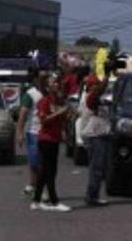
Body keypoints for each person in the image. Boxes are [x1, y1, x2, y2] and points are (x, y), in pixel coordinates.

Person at [33, 77, 72, 212]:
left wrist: (67, 114)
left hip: (54, 139)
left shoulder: (57, 101)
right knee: (50, 171)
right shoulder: (44, 101)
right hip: (46, 139)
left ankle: (36, 200)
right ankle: (54, 201)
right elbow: (44, 120)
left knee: (45, 172)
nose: (57, 84)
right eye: (53, 83)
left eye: (57, 82)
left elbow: (61, 120)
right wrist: (58, 113)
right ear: (48, 87)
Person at [79, 74, 111, 207]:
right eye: (96, 84)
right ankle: (92, 197)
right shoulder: (91, 97)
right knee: (96, 168)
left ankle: (93, 195)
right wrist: (107, 76)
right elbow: (99, 91)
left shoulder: (93, 97)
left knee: (98, 167)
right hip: (94, 136)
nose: (99, 86)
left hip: (97, 135)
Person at [15, 69, 45, 198]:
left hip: (47, 133)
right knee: (34, 162)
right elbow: (23, 115)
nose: (46, 80)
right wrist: (20, 132)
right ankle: (33, 185)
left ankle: (40, 187)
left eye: (47, 77)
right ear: (35, 79)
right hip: (33, 132)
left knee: (42, 162)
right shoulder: (30, 94)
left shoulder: (51, 93)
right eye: (43, 77)